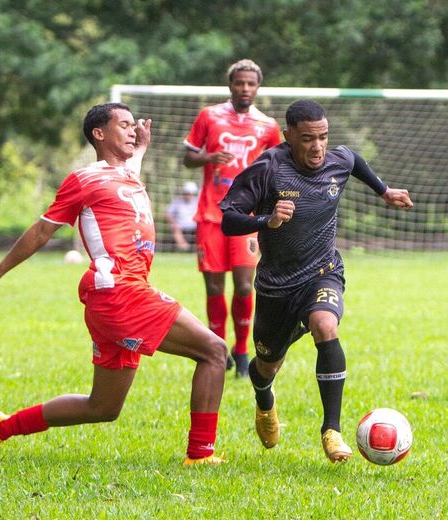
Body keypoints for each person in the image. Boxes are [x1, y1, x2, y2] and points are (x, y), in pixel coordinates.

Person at [0, 103, 227, 466]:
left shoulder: (129, 173)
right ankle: (200, 455)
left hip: (111, 297)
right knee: (213, 351)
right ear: (99, 134)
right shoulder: (84, 179)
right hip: (121, 292)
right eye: (124, 125)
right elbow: (41, 231)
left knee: (103, 407)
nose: (133, 130)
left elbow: (130, 166)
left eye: (134, 125)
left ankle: (1, 427)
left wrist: (142, 147)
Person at [219, 99, 413, 463]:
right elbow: (228, 217)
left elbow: (354, 160)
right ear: (288, 135)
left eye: (323, 137)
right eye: (308, 138)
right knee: (266, 366)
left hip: (323, 272)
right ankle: (264, 400)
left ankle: (331, 430)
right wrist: (267, 221)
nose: (318, 146)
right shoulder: (268, 169)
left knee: (326, 325)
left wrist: (383, 190)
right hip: (277, 287)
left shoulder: (337, 161)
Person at [183, 59, 281, 378]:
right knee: (214, 288)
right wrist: (208, 158)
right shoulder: (209, 116)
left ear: (258, 87)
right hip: (211, 215)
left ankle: (241, 353)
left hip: (248, 219)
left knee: (243, 286)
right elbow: (187, 158)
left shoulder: (267, 126)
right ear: (230, 85)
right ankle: (217, 348)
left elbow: (280, 168)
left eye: (251, 83)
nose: (245, 88)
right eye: (240, 82)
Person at [165, 181, 199, 252]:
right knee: (175, 228)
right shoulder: (177, 201)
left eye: (190, 193)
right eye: (186, 193)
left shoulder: (197, 201)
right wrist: (173, 222)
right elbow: (168, 213)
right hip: (180, 226)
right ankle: (184, 249)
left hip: (194, 226)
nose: (188, 195)